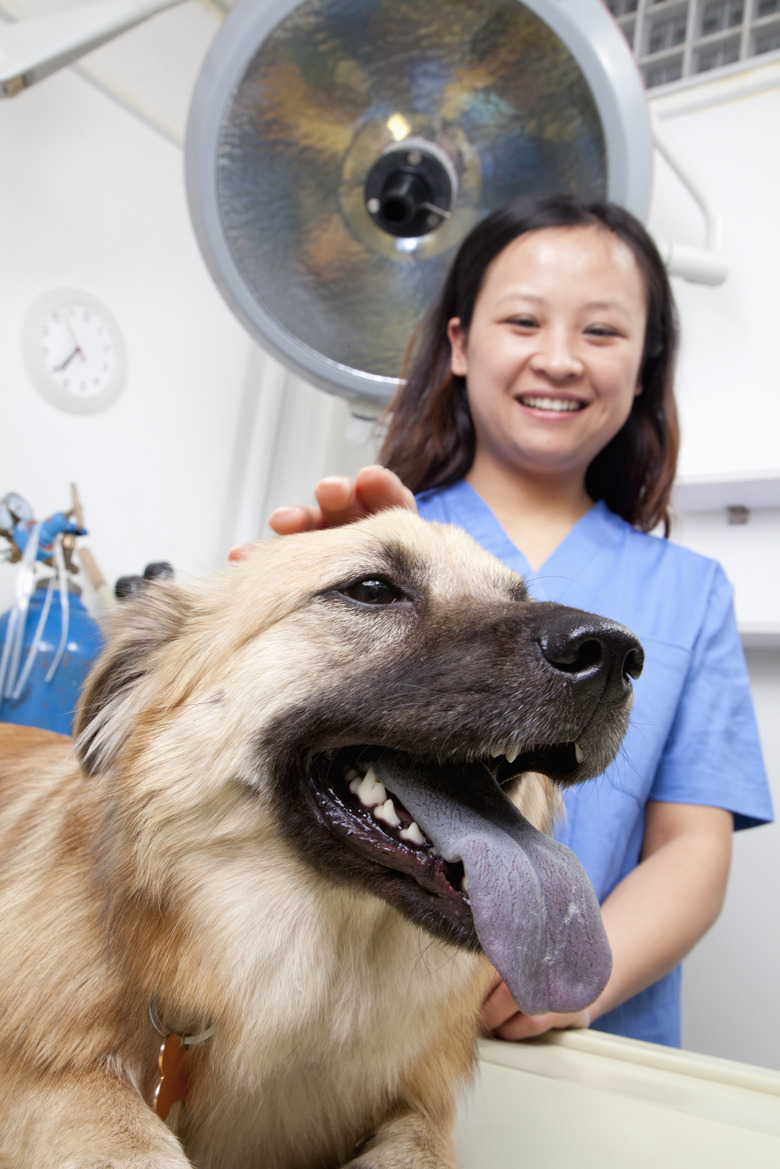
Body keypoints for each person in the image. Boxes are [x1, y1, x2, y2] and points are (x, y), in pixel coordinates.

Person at [252, 193, 774, 1048]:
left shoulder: (691, 590)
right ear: (459, 344)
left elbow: (692, 847)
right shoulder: (358, 550)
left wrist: (574, 975)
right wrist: (327, 594)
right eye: (524, 320)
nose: (560, 358)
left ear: (644, 366)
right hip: (360, 1035)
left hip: (586, 1047)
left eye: (602, 332)